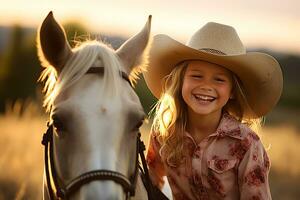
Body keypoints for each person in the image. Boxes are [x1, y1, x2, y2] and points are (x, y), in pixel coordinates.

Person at [143, 22, 283, 200]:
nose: (206, 86)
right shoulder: (164, 133)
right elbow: (150, 181)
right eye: (196, 76)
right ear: (180, 82)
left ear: (232, 91)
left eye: (219, 80)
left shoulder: (246, 143)